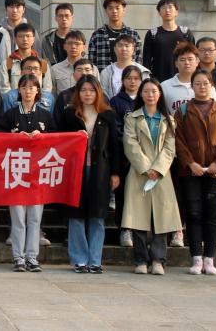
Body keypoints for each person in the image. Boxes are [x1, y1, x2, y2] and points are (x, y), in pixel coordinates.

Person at [175, 69, 216, 276]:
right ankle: (196, 258)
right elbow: (178, 139)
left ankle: (209, 258)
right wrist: (190, 163)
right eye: (197, 83)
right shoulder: (183, 111)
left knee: (212, 214)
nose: (202, 87)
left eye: (205, 83)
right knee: (193, 213)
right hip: (190, 172)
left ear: (211, 85)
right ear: (192, 86)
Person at [60, 75, 121, 273]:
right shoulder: (70, 114)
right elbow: (60, 141)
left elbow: (114, 145)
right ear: (77, 92)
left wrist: (115, 173)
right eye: (84, 90)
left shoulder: (107, 114)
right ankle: (79, 259)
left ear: (98, 92)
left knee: (98, 215)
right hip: (75, 170)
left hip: (100, 171)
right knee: (75, 215)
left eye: (92, 90)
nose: (88, 94)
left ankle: (95, 260)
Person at [0, 73, 55, 272]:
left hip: (38, 173)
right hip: (17, 172)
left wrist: (42, 137)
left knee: (35, 218)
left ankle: (32, 257)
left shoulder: (45, 115)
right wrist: (14, 137)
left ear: (38, 90)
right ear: (18, 90)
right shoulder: (10, 114)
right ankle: (18, 257)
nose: (28, 91)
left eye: (32, 87)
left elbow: (57, 140)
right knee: (18, 218)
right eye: (24, 87)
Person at [122, 78, 181, 275]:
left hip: (161, 175)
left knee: (161, 218)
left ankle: (158, 260)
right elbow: (130, 144)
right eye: (146, 91)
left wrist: (158, 169)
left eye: (154, 91)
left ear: (160, 94)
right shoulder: (132, 118)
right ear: (141, 94)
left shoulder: (168, 119)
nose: (150, 95)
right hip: (139, 173)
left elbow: (170, 148)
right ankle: (140, 259)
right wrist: (146, 168)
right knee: (138, 218)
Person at [110, 65, 147, 248]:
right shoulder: (115, 102)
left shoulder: (145, 99)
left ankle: (140, 229)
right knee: (123, 194)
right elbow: (115, 128)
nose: (132, 82)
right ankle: (124, 229)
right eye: (129, 78)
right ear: (123, 80)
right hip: (123, 154)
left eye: (136, 78)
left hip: (145, 156)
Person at [142, 0, 194, 81]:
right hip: (158, 80)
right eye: (163, 8)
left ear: (176, 12)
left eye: (170, 7)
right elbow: (146, 60)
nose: (167, 10)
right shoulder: (152, 34)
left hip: (182, 79)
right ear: (159, 13)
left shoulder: (185, 33)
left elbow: (193, 56)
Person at [87, 0, 142, 71]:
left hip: (127, 76)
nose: (114, 11)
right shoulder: (97, 35)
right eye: (110, 8)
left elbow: (138, 60)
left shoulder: (133, 34)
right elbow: (91, 62)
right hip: (103, 76)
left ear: (123, 10)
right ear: (106, 11)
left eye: (117, 8)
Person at [161, 42, 216, 116]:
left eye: (190, 59)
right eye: (182, 59)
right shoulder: (165, 86)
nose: (187, 63)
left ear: (197, 61)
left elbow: (215, 113)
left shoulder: (207, 84)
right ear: (176, 63)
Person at [0, 23, 53, 94]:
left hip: (38, 100)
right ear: (15, 39)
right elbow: (5, 90)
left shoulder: (43, 64)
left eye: (28, 36)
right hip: (14, 101)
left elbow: (47, 90)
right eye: (21, 36)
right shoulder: (7, 64)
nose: (25, 39)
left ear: (33, 39)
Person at [99, 34, 149, 100]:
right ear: (115, 49)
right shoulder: (106, 72)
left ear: (133, 49)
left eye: (127, 46)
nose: (124, 49)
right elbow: (104, 96)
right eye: (120, 46)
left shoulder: (143, 72)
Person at [0, 0, 27, 68]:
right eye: (11, 7)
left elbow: (37, 55)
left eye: (18, 7)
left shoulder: (30, 32)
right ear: (6, 9)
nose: (14, 10)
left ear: (23, 9)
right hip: (1, 72)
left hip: (25, 72)